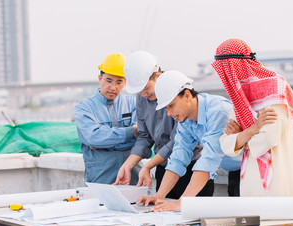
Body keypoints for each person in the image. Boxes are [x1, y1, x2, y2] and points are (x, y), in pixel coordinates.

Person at [211, 39, 293, 226]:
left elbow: (268, 139)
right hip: (250, 181)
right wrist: (254, 128)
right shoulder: (241, 97)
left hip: (278, 180)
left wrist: (241, 136)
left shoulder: (274, 88)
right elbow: (226, 144)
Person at [137, 70, 242, 212]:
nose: (168, 113)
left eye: (171, 105)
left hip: (252, 169)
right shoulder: (185, 120)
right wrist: (159, 196)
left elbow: (208, 161)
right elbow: (177, 159)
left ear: (187, 95)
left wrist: (182, 202)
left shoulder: (218, 111)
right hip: (233, 169)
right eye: (166, 108)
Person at [113, 51, 211, 199]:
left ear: (158, 77)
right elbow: (144, 136)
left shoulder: (177, 92)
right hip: (164, 169)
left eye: (146, 88)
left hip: (191, 168)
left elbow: (176, 141)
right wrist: (128, 165)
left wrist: (148, 165)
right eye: (139, 91)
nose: (143, 94)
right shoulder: (142, 98)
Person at [75, 52, 140, 185]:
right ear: (100, 78)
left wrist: (102, 143)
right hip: (100, 179)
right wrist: (130, 132)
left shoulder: (132, 104)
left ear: (125, 82)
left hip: (131, 178)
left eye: (119, 82)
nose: (113, 87)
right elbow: (93, 138)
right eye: (108, 81)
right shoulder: (84, 107)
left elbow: (142, 136)